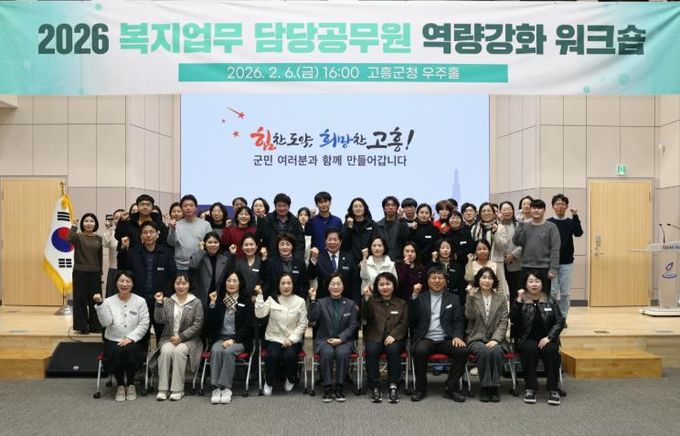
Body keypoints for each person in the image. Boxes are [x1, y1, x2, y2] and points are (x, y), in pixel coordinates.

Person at [409, 266, 467, 402]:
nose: (437, 281)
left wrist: (458, 336)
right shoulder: (420, 297)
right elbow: (411, 319)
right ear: (428, 281)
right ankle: (420, 389)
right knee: (419, 351)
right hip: (426, 338)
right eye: (433, 278)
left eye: (440, 278)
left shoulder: (453, 299)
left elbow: (458, 321)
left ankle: (451, 388)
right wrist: (414, 296)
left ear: (445, 281)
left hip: (446, 338)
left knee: (462, 351)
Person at [93, 271, 150, 402]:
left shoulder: (140, 301)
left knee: (131, 350)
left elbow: (144, 323)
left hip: (134, 339)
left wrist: (130, 338)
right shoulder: (108, 301)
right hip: (113, 338)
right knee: (116, 351)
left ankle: (130, 384)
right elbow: (105, 323)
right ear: (116, 283)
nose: (124, 284)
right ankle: (120, 385)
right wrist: (100, 304)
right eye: (122, 281)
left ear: (133, 284)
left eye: (128, 281)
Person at [511, 270, 565, 406]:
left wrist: (549, 337)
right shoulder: (520, 300)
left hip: (547, 338)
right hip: (526, 338)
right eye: (530, 281)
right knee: (530, 350)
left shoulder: (550, 300)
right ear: (525, 284)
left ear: (542, 283)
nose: (534, 284)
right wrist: (518, 300)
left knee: (551, 350)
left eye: (537, 281)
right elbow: (513, 319)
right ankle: (530, 388)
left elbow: (560, 321)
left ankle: (553, 388)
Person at [118, 220, 176, 340]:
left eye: (151, 232)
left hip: (160, 301)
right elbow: (123, 270)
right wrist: (123, 249)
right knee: (140, 336)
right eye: (145, 232)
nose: (148, 235)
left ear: (157, 234)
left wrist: (165, 295)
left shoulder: (166, 252)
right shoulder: (133, 252)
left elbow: (172, 276)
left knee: (162, 335)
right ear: (141, 236)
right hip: (138, 300)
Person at [308, 273, 359, 402]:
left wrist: (341, 339)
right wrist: (312, 299)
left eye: (338, 284)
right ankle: (328, 387)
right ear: (328, 286)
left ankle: (340, 387)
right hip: (325, 339)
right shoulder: (320, 302)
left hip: (344, 341)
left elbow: (353, 325)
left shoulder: (350, 304)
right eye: (333, 284)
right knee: (327, 353)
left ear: (343, 286)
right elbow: (312, 318)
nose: (336, 287)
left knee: (342, 353)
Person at [254, 273, 308, 395]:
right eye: (283, 283)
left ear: (293, 285)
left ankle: (290, 378)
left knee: (290, 355)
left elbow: (303, 324)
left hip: (292, 339)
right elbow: (260, 314)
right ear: (278, 285)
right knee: (273, 355)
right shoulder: (272, 299)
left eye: (289, 283)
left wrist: (291, 339)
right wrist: (259, 296)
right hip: (274, 338)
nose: (286, 286)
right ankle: (268, 382)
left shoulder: (300, 301)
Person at [153, 273, 204, 401]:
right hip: (169, 338)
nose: (181, 286)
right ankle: (163, 388)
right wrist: (159, 303)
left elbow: (198, 325)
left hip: (190, 339)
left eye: (184, 283)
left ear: (189, 285)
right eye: (178, 283)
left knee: (179, 351)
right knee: (165, 351)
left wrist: (181, 337)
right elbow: (159, 320)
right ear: (173, 285)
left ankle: (178, 389)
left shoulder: (196, 302)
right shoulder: (167, 301)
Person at [206, 271, 255, 404]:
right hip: (220, 338)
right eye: (229, 280)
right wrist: (212, 304)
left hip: (239, 340)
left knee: (228, 351)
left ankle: (226, 388)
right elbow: (210, 325)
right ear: (224, 283)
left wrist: (233, 340)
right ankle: (216, 388)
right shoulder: (219, 299)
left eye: (235, 281)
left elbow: (247, 326)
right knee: (216, 350)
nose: (231, 284)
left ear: (240, 283)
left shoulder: (246, 300)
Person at [361, 272, 408, 404]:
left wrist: (394, 335)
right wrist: (366, 298)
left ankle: (393, 386)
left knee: (393, 350)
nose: (385, 287)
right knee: (371, 350)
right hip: (374, 335)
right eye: (381, 284)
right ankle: (375, 386)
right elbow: (364, 315)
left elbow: (404, 323)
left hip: (394, 337)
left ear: (394, 285)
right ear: (376, 286)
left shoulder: (401, 303)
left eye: (388, 284)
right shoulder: (371, 300)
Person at [465, 267, 509, 402]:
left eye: (490, 278)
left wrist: (496, 339)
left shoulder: (500, 298)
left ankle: (494, 387)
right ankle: (485, 386)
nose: (486, 281)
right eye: (483, 277)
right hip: (476, 338)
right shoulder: (472, 296)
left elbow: (504, 321)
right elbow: (469, 316)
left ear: (494, 281)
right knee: (484, 350)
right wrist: (470, 298)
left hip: (496, 339)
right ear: (478, 280)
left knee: (495, 350)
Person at [547, 194, 583, 319]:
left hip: (567, 262)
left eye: (562, 204)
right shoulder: (548, 222)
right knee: (552, 292)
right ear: (553, 206)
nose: (560, 206)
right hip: (551, 263)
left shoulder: (570, 222)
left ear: (566, 206)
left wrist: (575, 216)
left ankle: (562, 318)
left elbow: (578, 233)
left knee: (565, 293)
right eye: (557, 204)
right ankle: (551, 317)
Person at [512, 199, 561, 291]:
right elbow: (516, 241)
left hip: (544, 268)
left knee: (544, 296)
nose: (536, 210)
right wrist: (520, 224)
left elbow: (555, 249)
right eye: (534, 208)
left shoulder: (551, 227)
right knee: (524, 295)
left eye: (539, 208)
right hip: (526, 266)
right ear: (530, 210)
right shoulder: (525, 226)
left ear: (544, 210)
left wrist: (553, 268)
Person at [68, 213, 103, 334]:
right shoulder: (78, 236)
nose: (89, 223)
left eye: (91, 221)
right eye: (86, 221)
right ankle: (81, 326)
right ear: (82, 223)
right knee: (80, 299)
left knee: (95, 299)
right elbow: (69, 239)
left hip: (95, 272)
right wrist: (74, 226)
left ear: (95, 224)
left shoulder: (98, 238)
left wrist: (100, 271)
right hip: (80, 272)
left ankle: (95, 325)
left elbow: (99, 257)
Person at [308, 229, 359, 303]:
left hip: (346, 300)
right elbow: (311, 276)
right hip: (324, 301)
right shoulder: (319, 257)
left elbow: (355, 282)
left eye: (335, 239)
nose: (332, 242)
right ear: (325, 241)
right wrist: (313, 259)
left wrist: (356, 302)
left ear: (340, 242)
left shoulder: (349, 257)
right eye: (330, 239)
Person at [168, 194, 212, 271]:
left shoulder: (205, 224)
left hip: (201, 265)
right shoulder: (176, 224)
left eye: (191, 205)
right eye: (185, 206)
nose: (188, 208)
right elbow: (171, 243)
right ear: (181, 208)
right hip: (180, 266)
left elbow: (210, 244)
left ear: (196, 207)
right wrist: (172, 229)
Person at [189, 232, 232, 310]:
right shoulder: (199, 256)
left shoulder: (224, 259)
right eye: (210, 242)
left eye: (215, 242)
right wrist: (201, 250)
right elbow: (193, 265)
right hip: (200, 298)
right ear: (204, 244)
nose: (213, 245)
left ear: (219, 244)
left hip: (218, 298)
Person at [260, 233, 309, 299]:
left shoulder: (300, 263)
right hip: (275, 300)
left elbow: (305, 284)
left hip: (295, 300)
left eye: (288, 244)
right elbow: (264, 281)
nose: (285, 247)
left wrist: (300, 299)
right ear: (278, 246)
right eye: (282, 244)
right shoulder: (271, 262)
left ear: (292, 246)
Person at [256, 193, 305, 259]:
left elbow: (300, 242)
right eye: (279, 206)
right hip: (271, 257)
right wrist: (261, 220)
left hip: (291, 259)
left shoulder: (295, 221)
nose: (282, 208)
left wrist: (297, 258)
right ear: (275, 206)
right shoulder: (267, 219)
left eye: (284, 206)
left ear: (289, 206)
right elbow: (260, 237)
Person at [428, 238, 465, 303]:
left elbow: (461, 286)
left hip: (454, 299)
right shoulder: (433, 264)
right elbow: (429, 278)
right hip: (436, 298)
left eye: (448, 248)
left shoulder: (457, 266)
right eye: (442, 248)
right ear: (438, 249)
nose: (445, 250)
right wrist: (433, 261)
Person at [341, 197, 377, 263]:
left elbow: (376, 242)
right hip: (351, 261)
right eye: (355, 206)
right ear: (352, 209)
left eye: (360, 206)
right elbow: (344, 244)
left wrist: (368, 255)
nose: (358, 208)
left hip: (369, 260)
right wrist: (349, 228)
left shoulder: (372, 224)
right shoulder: (347, 224)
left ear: (364, 208)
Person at [374, 195, 409, 261]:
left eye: (393, 205)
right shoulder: (377, 225)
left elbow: (405, 239)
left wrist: (401, 220)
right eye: (387, 205)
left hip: (398, 261)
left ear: (397, 208)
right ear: (384, 208)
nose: (390, 207)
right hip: (382, 261)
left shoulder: (402, 223)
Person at [103, 209, 124, 296]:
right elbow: (105, 244)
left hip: (128, 270)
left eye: (121, 217)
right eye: (116, 218)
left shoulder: (132, 231)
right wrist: (108, 229)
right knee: (112, 297)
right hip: (114, 270)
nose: (119, 220)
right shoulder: (111, 232)